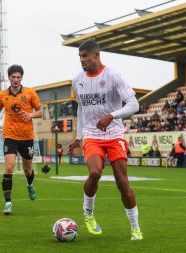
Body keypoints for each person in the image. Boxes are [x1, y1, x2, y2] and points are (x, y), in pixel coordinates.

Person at [68, 40, 142, 240]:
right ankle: (88, 214)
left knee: (122, 182)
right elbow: (81, 108)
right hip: (92, 134)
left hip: (115, 134)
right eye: (80, 57)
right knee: (95, 172)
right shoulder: (77, 80)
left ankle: (135, 227)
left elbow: (134, 105)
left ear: (96, 55)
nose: (82, 60)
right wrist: (78, 137)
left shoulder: (113, 76)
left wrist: (112, 115)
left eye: (85, 56)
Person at [0, 64, 42, 215]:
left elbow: (40, 112)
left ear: (22, 78)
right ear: (9, 78)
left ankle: (30, 184)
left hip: (27, 137)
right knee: (9, 167)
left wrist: (31, 115)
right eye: (13, 77)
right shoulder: (2, 95)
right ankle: (8, 203)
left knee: (27, 170)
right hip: (10, 136)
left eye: (18, 77)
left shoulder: (30, 93)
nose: (16, 80)